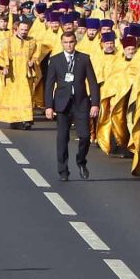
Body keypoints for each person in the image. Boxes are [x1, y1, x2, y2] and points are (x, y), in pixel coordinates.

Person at [44, 27, 100, 181]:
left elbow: (93, 83)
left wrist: (95, 103)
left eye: (71, 42)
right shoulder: (55, 60)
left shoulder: (84, 59)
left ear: (75, 43)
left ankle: (81, 160)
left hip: (81, 103)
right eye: (66, 43)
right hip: (62, 104)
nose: (69, 45)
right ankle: (63, 170)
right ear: (62, 43)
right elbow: (49, 84)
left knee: (85, 136)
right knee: (62, 138)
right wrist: (49, 106)